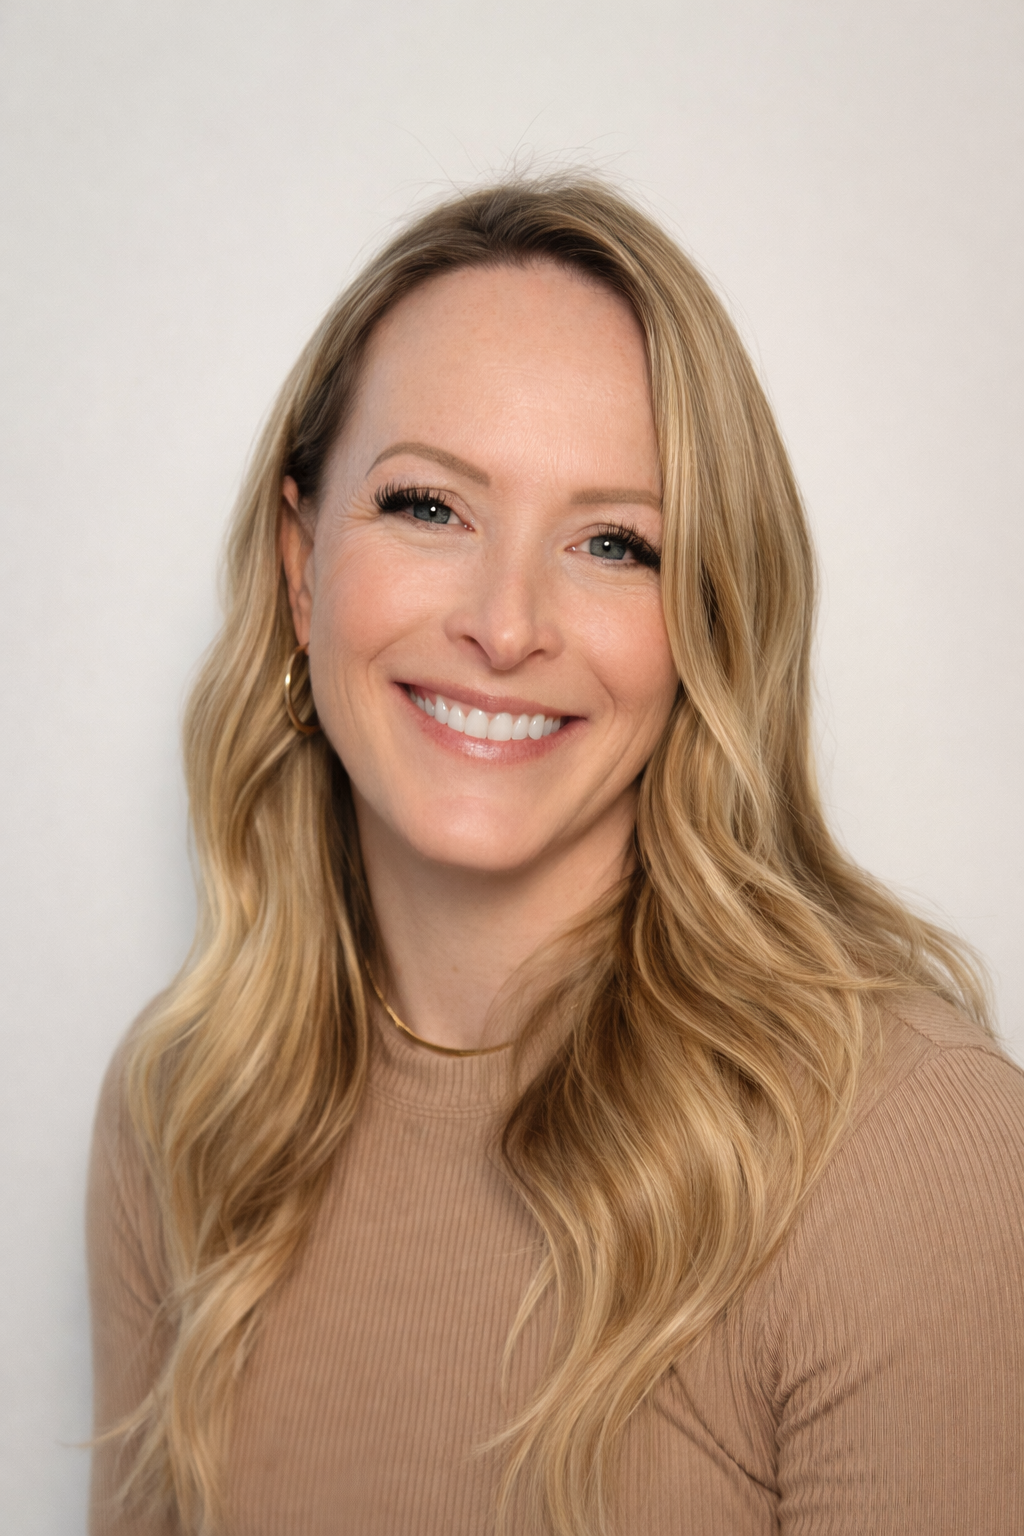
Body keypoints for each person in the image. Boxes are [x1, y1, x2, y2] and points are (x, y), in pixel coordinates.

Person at [87, 177, 1024, 1536]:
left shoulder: (912, 1151)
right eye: (428, 508)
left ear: (705, 618)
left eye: (613, 542)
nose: (507, 624)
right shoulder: (185, 1110)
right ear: (300, 570)